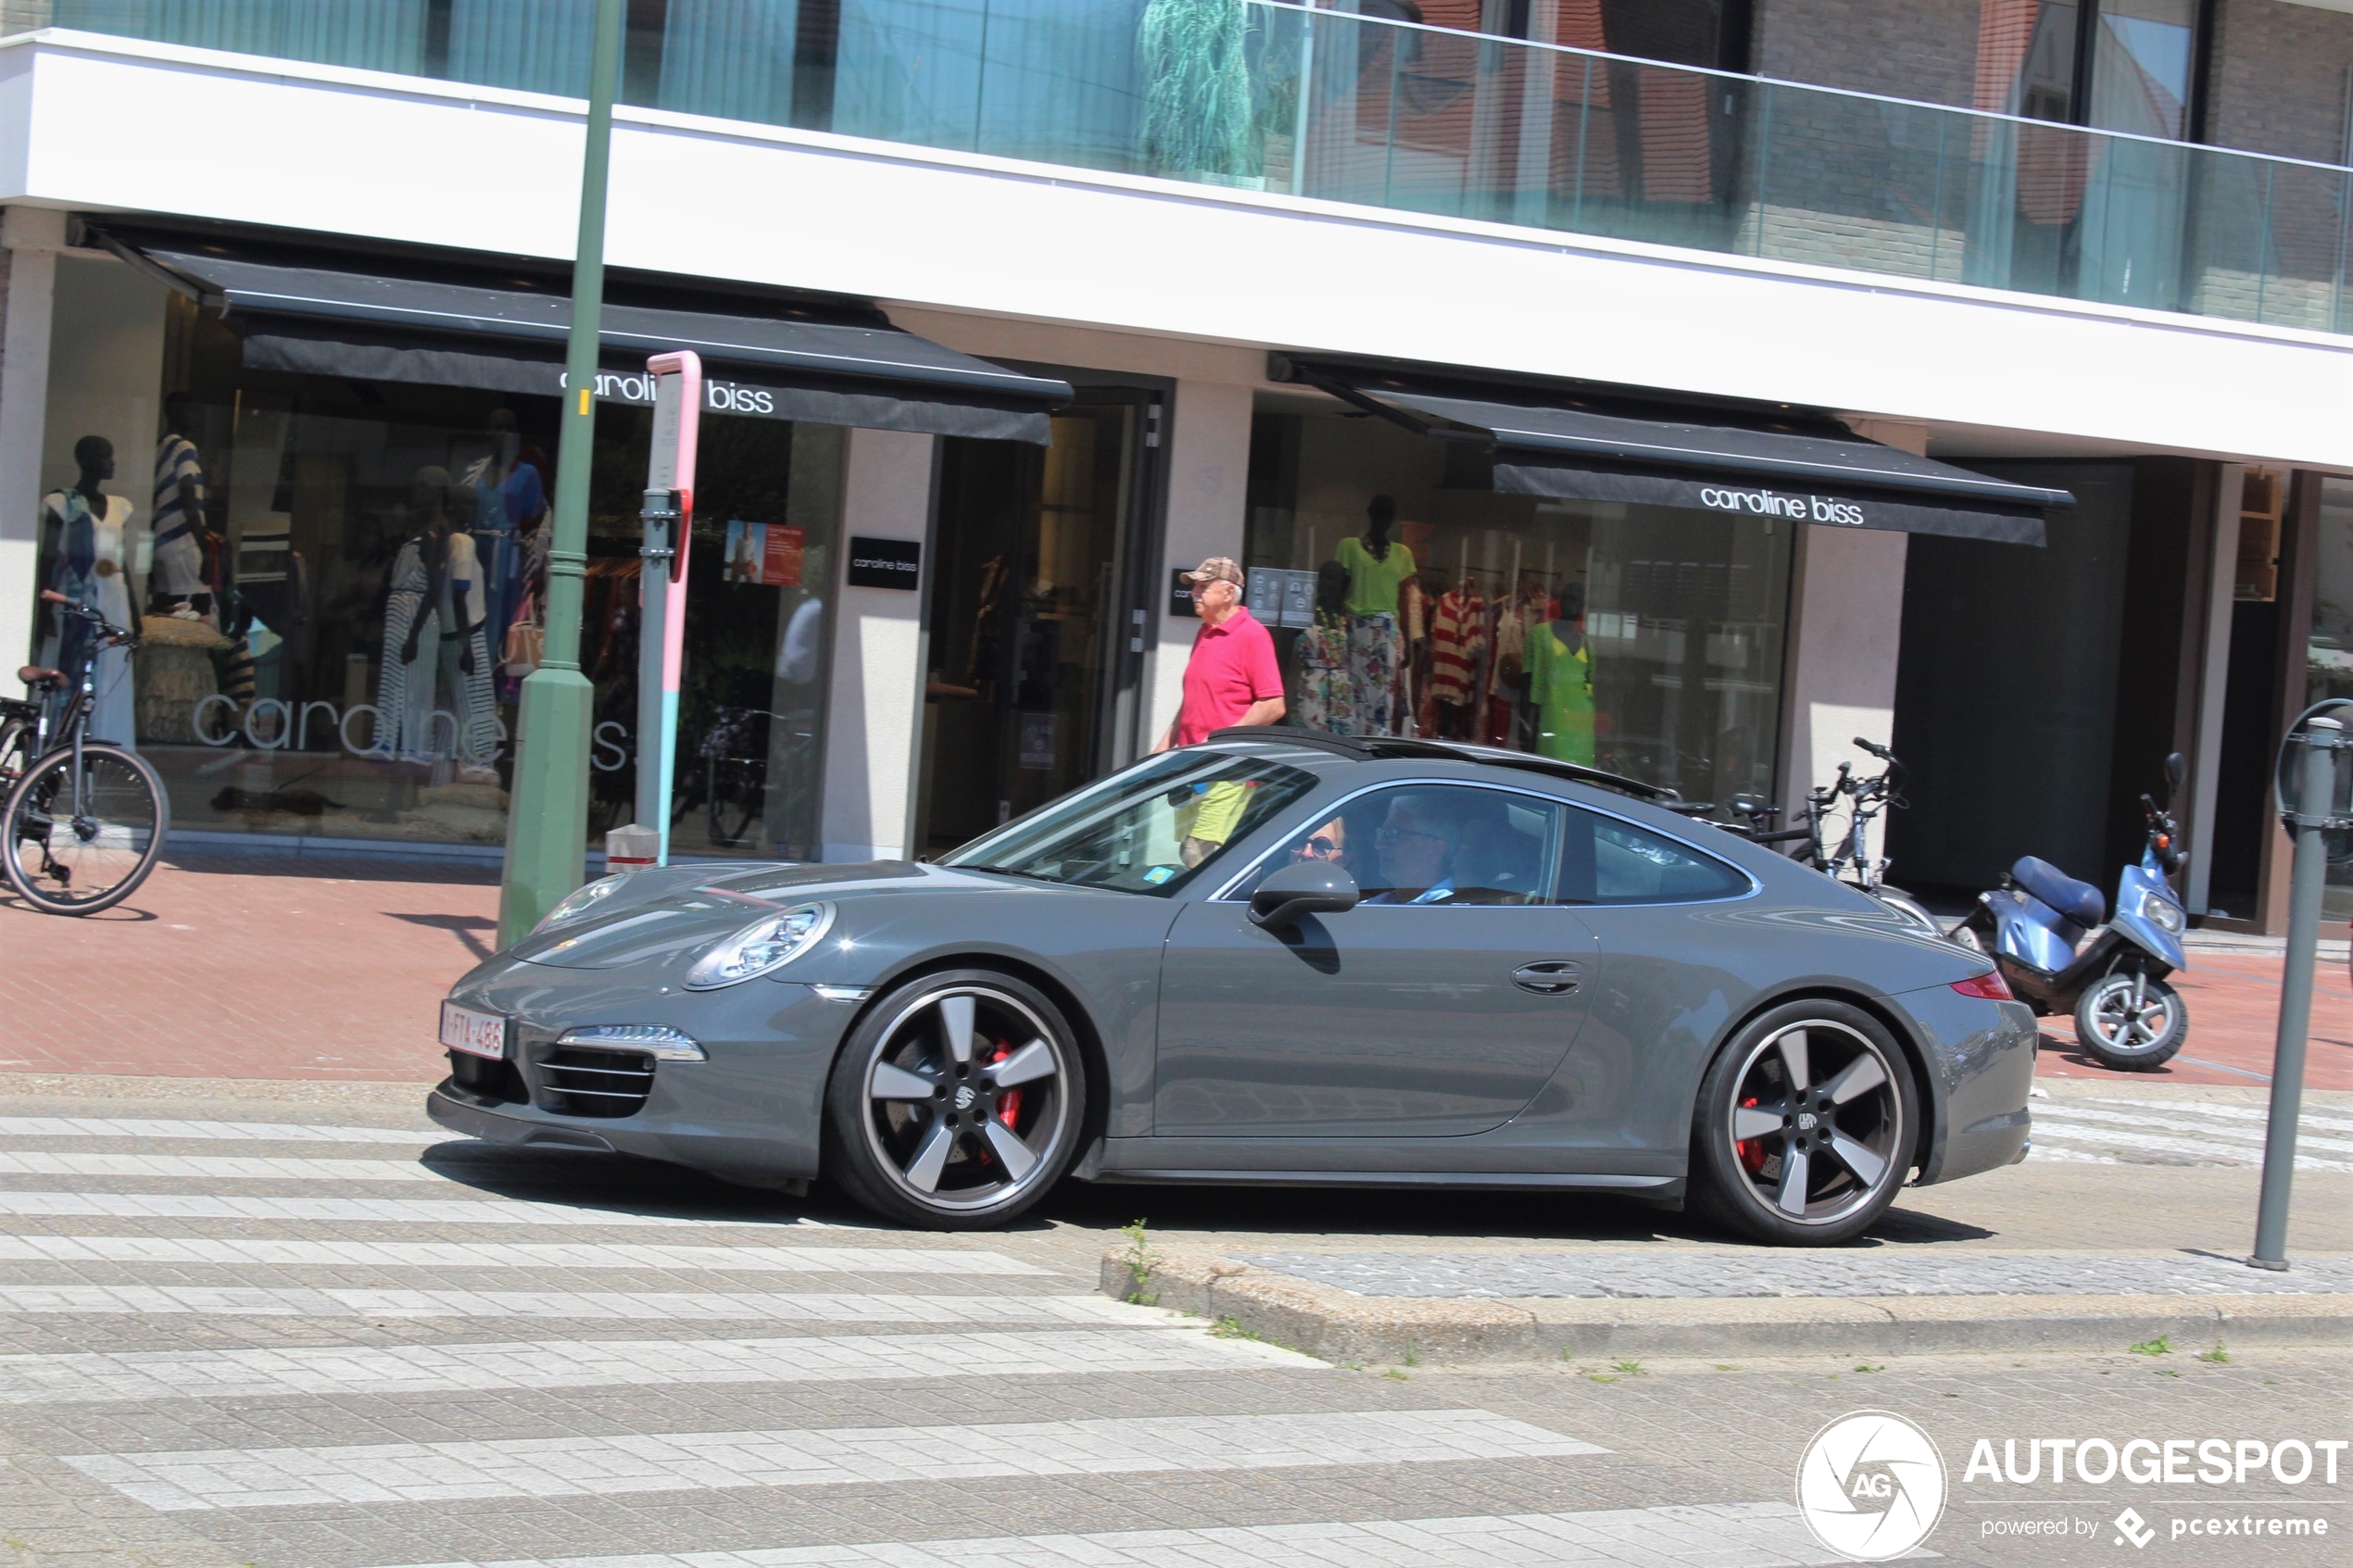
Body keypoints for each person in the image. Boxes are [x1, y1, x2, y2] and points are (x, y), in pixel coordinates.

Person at [1154, 556, 1284, 865]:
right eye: (1194, 587)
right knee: (1190, 854)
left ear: (1228, 593)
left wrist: (1221, 742)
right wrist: (1163, 748)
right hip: (1193, 765)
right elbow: (1193, 701)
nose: (1194, 593)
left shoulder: (1252, 635)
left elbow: (1273, 704)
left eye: (1203, 586)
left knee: (1196, 854)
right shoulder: (1205, 632)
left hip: (1229, 769)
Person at [1363, 793, 1460, 905]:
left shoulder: (1459, 911)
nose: (1379, 844)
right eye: (1382, 834)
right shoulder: (1372, 905)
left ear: (1435, 851)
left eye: (1392, 834)